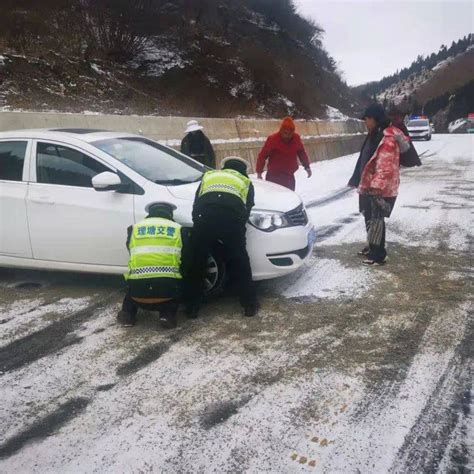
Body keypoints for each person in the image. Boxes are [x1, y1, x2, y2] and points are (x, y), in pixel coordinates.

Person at [185, 156, 258, 318]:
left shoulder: (209, 176)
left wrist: (198, 221)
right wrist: (238, 228)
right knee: (240, 261)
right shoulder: (245, 181)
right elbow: (248, 208)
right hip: (231, 220)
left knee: (197, 261)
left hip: (205, 217)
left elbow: (197, 202)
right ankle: (249, 305)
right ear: (243, 170)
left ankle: (192, 307)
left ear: (224, 167)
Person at [349, 104, 409, 266]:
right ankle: (372, 245)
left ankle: (378, 255)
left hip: (379, 188)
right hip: (368, 185)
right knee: (369, 216)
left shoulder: (388, 138)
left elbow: (385, 166)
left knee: (376, 220)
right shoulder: (375, 134)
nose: (366, 122)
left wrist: (376, 187)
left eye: (367, 119)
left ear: (375, 119)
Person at [117, 202, 191, 329]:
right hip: (167, 293)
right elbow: (187, 258)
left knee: (133, 281)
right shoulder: (179, 229)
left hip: (137, 294)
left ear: (149, 213)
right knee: (176, 281)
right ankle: (167, 316)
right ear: (170, 214)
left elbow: (131, 251)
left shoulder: (133, 229)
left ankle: (127, 316)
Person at [256, 116, 312, 191]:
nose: (287, 136)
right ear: (281, 130)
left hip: (289, 177)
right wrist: (259, 172)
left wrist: (307, 166)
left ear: (293, 132)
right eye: (285, 133)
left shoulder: (296, 138)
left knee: (290, 200)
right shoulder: (273, 139)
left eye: (290, 133)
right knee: (276, 200)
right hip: (274, 177)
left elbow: (301, 152)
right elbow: (262, 156)